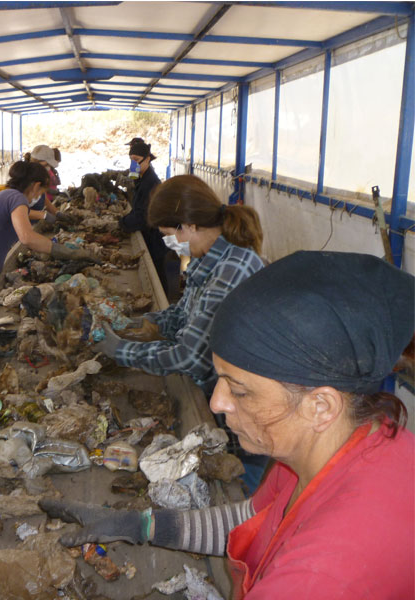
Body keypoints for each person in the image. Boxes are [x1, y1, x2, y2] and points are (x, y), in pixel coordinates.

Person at [42, 250, 414, 599]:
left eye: (240, 390)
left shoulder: (322, 576)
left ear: (320, 405)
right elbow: (253, 520)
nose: (218, 402)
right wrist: (141, 525)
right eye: (220, 378)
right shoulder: (334, 442)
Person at [96, 174, 264, 396]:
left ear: (189, 226)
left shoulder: (233, 269)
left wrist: (119, 349)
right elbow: (184, 314)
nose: (168, 243)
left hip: (232, 397)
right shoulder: (206, 257)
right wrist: (140, 323)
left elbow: (191, 357)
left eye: (168, 234)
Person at [0, 160, 98, 311]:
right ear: (35, 186)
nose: (39, 197)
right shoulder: (17, 199)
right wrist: (70, 253)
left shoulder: (9, 197)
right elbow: (27, 237)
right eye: (40, 192)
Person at [119, 138, 168, 293]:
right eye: (131, 160)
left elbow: (142, 217)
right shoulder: (142, 176)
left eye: (136, 160)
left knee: (156, 274)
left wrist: (122, 223)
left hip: (154, 236)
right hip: (150, 233)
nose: (133, 164)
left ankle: (163, 302)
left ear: (147, 159)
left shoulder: (151, 182)